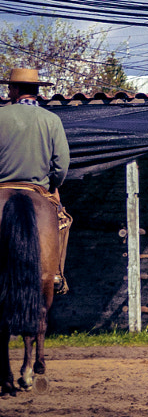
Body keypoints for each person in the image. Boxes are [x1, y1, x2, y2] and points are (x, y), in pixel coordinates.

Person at [0, 67, 71, 293]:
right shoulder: (52, 120)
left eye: (9, 87)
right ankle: (56, 273)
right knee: (62, 221)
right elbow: (61, 164)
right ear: (36, 90)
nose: (8, 91)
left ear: (16, 89)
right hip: (38, 188)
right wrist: (54, 185)